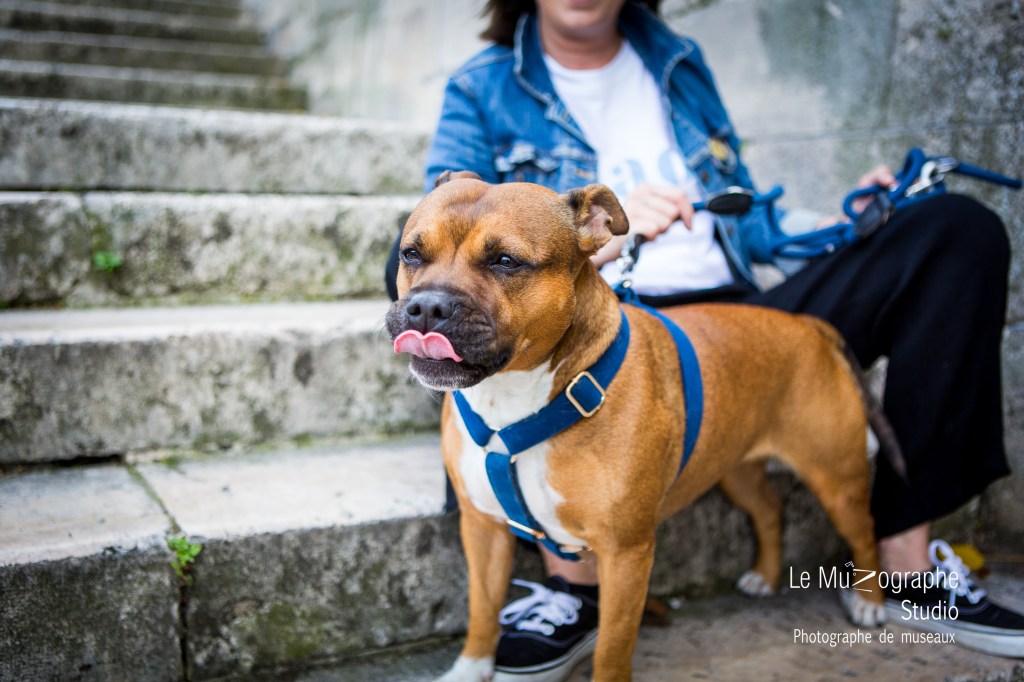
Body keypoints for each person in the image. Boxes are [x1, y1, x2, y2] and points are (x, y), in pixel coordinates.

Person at [385, 0, 1024, 677]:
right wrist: (585, 242)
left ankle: (903, 562)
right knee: (432, 283)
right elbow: (446, 226)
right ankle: (571, 577)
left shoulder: (679, 64)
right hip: (595, 312)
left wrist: (855, 215)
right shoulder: (482, 84)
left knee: (954, 229)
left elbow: (746, 208)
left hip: (733, 305)